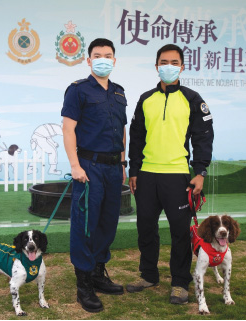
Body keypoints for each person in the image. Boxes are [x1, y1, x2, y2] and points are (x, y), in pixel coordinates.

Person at [127, 44, 214, 304]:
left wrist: (199, 172)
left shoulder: (193, 98)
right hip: (146, 176)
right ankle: (149, 275)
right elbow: (136, 139)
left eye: (174, 62)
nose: (168, 66)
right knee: (146, 228)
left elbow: (203, 138)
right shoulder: (145, 99)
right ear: (156, 66)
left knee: (179, 232)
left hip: (177, 176)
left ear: (182, 66)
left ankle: (179, 282)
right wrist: (133, 170)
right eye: (164, 62)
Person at [61, 38, 127, 313]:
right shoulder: (77, 90)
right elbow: (68, 129)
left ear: (114, 60)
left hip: (114, 168)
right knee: (85, 224)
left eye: (107, 55)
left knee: (108, 222)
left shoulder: (119, 92)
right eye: (97, 55)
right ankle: (84, 284)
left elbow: (122, 128)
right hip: (89, 168)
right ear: (88, 60)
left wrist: (123, 162)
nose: (103, 59)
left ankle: (99, 272)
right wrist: (75, 166)